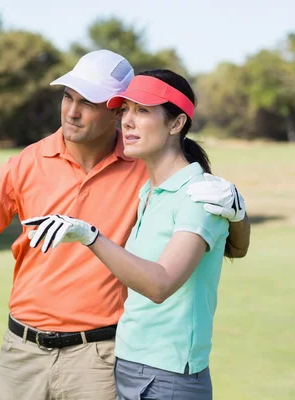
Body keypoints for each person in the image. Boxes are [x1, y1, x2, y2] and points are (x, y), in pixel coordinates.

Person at [0, 50, 251, 400]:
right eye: (68, 97)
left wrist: (239, 212)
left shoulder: (144, 168)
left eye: (88, 102)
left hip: (98, 357)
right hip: (22, 352)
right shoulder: (27, 162)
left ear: (114, 110)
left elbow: (221, 236)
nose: (72, 112)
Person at [23, 69, 234, 399]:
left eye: (143, 111)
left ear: (176, 123)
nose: (127, 122)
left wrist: (90, 235)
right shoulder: (148, 191)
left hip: (170, 374)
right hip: (129, 363)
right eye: (124, 111)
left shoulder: (199, 195)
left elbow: (160, 284)